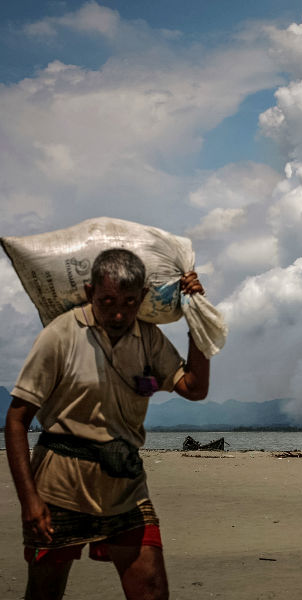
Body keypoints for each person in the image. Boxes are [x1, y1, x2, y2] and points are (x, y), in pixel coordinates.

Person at [5, 248, 211, 600]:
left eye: (130, 302)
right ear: (89, 293)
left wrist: (196, 317)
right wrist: (30, 501)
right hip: (60, 486)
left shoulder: (147, 337)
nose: (118, 312)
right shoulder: (61, 336)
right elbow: (16, 419)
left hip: (125, 484)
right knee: (44, 592)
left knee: (151, 590)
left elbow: (194, 387)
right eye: (108, 300)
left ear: (143, 297)